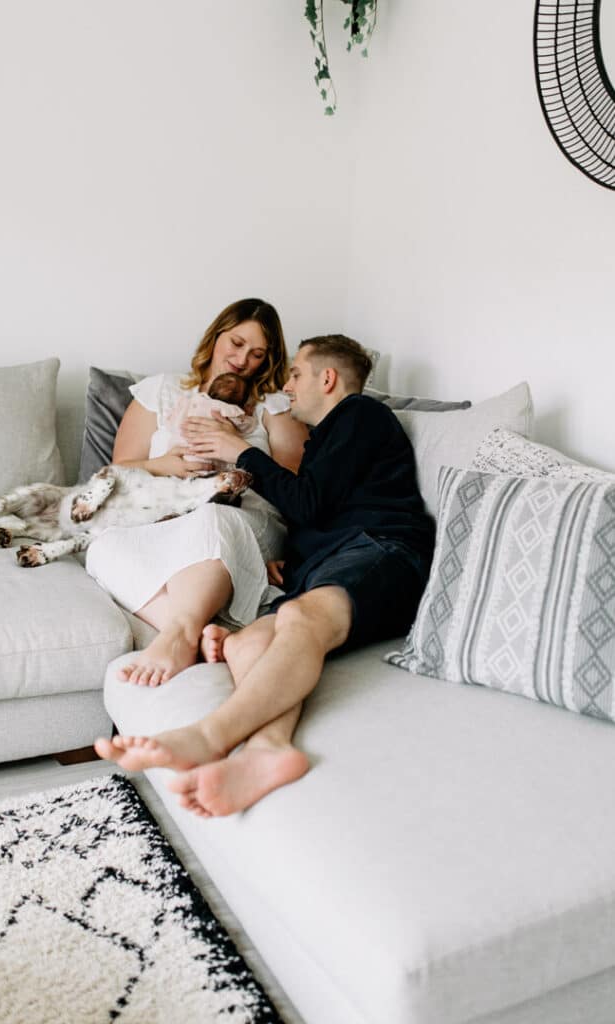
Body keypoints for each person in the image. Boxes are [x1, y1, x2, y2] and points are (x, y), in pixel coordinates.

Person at [95, 334, 435, 817]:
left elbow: (309, 502)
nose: (288, 385)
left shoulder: (360, 415)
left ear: (328, 378)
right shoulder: (325, 440)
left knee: (301, 616)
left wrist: (241, 452)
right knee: (243, 643)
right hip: (336, 562)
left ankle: (210, 734)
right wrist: (290, 564)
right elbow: (317, 511)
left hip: (385, 549)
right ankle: (270, 749)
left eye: (296, 374)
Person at [85, 298, 308, 685]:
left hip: (238, 519)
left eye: (257, 354)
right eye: (236, 344)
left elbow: (295, 486)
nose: (242, 360)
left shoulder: (273, 406)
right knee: (102, 544)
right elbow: (120, 471)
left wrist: (237, 448)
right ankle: (200, 630)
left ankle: (179, 635)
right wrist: (164, 466)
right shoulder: (162, 392)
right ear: (216, 335)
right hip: (161, 519)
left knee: (211, 516)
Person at [163, 372, 255, 466]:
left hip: (179, 452)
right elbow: (246, 426)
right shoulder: (232, 411)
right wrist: (248, 415)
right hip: (208, 458)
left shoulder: (193, 401)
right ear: (242, 402)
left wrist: (172, 420)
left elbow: (171, 422)